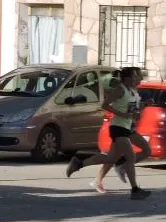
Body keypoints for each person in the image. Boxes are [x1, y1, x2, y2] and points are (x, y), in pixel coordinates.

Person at [64, 66, 151, 200]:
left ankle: (79, 163)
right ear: (127, 78)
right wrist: (122, 114)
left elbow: (133, 109)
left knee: (111, 158)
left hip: (127, 127)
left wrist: (143, 107)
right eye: (134, 76)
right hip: (118, 127)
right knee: (130, 157)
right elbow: (105, 105)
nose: (136, 78)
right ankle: (135, 190)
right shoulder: (120, 89)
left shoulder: (131, 90)